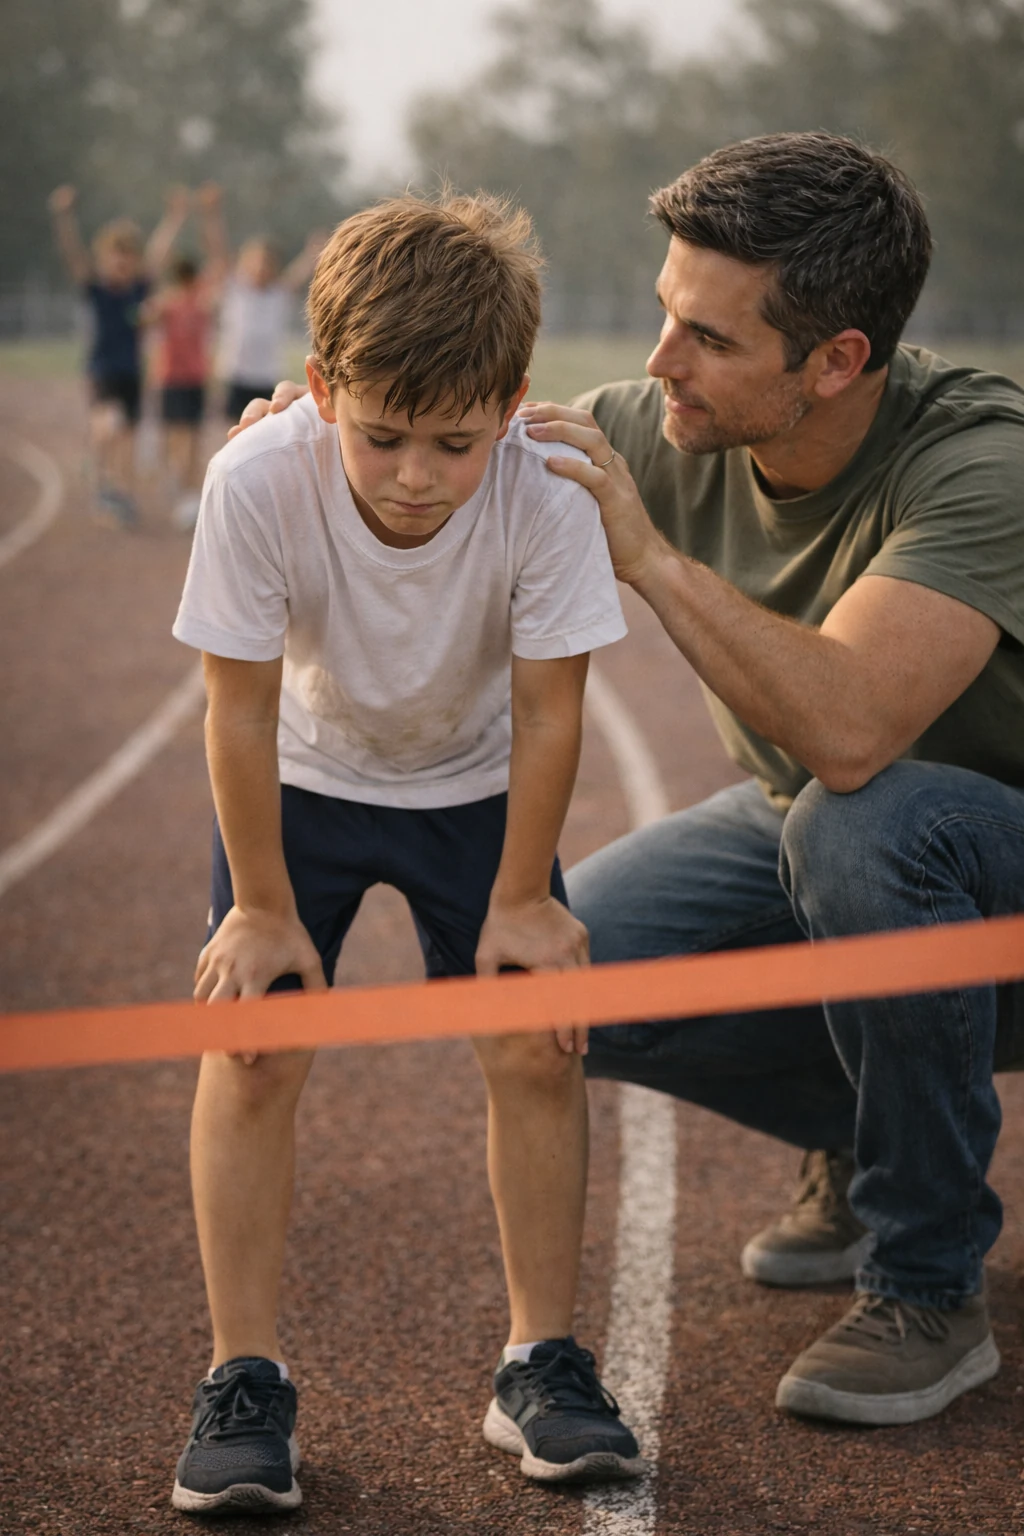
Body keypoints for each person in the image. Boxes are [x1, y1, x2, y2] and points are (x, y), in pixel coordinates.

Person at [518, 132, 1024, 1428]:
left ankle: (926, 1282)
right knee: (549, 971)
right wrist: (313, 430)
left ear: (839, 359)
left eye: (710, 339)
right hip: (820, 832)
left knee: (865, 823)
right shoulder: (665, 425)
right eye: (664, 316)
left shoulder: (982, 463)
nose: (658, 364)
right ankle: (872, 1129)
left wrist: (652, 561)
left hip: (956, 848)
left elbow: (852, 730)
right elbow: (456, 443)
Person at [168, 191, 639, 1516]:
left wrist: (520, 905)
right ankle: (241, 1376)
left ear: (512, 399)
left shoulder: (542, 494)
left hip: (478, 782)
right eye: (382, 438)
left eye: (456, 439)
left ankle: (541, 1360)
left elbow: (554, 704)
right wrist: (261, 907)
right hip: (304, 779)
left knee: (536, 1037)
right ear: (321, 390)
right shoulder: (258, 478)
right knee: (253, 1042)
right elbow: (238, 703)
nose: (419, 475)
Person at [48, 183, 189, 527]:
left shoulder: (139, 288)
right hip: (102, 371)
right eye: (115, 253)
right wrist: (63, 216)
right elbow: (73, 253)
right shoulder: (95, 288)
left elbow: (158, 251)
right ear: (104, 258)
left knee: (128, 436)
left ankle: (120, 493)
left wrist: (174, 217)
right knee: (109, 424)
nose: (121, 260)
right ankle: (100, 472)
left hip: (131, 373)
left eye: (128, 254)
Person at [198, 182, 324, 423]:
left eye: (266, 264)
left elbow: (299, 271)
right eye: (255, 262)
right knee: (232, 428)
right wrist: (212, 215)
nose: (260, 269)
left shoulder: (278, 293)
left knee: (264, 429)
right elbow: (218, 250)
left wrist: (312, 252)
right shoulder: (235, 288)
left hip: (266, 376)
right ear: (245, 263)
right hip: (235, 374)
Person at [144, 242, 218, 531]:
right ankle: (182, 485)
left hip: (192, 379)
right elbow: (142, 317)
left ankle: (189, 496)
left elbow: (217, 270)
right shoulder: (166, 303)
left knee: (191, 439)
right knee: (177, 439)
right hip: (171, 379)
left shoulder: (201, 301)